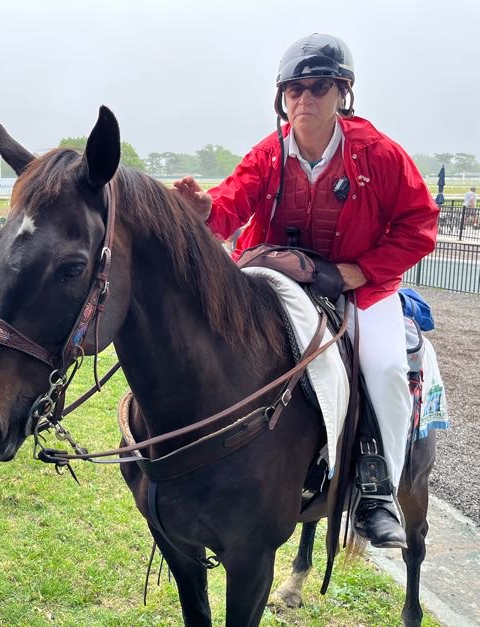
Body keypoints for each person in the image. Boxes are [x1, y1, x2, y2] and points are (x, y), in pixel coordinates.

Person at [174, 33, 439, 549]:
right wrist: (205, 209)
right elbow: (231, 205)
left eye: (319, 87)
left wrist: (358, 271)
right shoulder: (267, 154)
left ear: (343, 92)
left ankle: (376, 487)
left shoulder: (381, 155)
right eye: (294, 89)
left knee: (384, 366)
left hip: (359, 288)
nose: (305, 99)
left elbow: (419, 225)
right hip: (274, 281)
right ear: (283, 98)